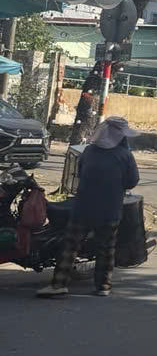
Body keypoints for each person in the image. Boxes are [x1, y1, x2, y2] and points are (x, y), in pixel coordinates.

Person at [37, 117, 139, 299]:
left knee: (70, 246)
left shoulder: (89, 151)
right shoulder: (125, 156)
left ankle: (58, 284)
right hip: (109, 209)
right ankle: (103, 286)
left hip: (82, 208)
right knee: (106, 248)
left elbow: (80, 173)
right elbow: (132, 181)